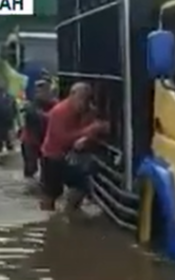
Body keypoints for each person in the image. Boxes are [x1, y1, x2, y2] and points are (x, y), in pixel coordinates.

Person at [40, 82, 109, 212]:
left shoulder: (88, 111)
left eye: (87, 99)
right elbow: (62, 139)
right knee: (50, 194)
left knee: (81, 185)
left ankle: (69, 213)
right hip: (52, 157)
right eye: (81, 98)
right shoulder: (59, 112)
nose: (83, 103)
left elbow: (92, 131)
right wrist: (88, 130)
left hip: (69, 157)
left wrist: (90, 134)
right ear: (72, 96)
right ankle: (47, 223)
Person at [21, 80, 57, 179]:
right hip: (31, 141)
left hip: (46, 140)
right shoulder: (31, 107)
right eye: (38, 91)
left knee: (46, 169)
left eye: (45, 90)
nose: (41, 94)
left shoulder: (54, 105)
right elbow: (35, 118)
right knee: (31, 168)